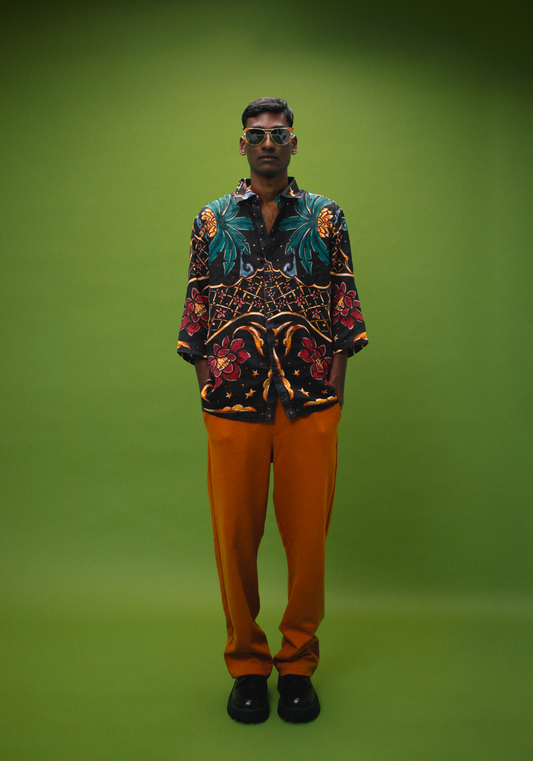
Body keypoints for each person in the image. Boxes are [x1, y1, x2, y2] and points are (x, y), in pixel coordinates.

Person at [177, 97, 368, 724]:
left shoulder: (326, 216)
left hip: (310, 399)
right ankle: (247, 666)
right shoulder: (210, 218)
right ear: (243, 144)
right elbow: (196, 302)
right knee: (234, 540)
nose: (267, 143)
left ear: (293, 143)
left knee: (307, 542)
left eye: (278, 134)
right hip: (232, 399)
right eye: (257, 134)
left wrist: (336, 379)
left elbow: (344, 299)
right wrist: (207, 379)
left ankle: (298, 664)